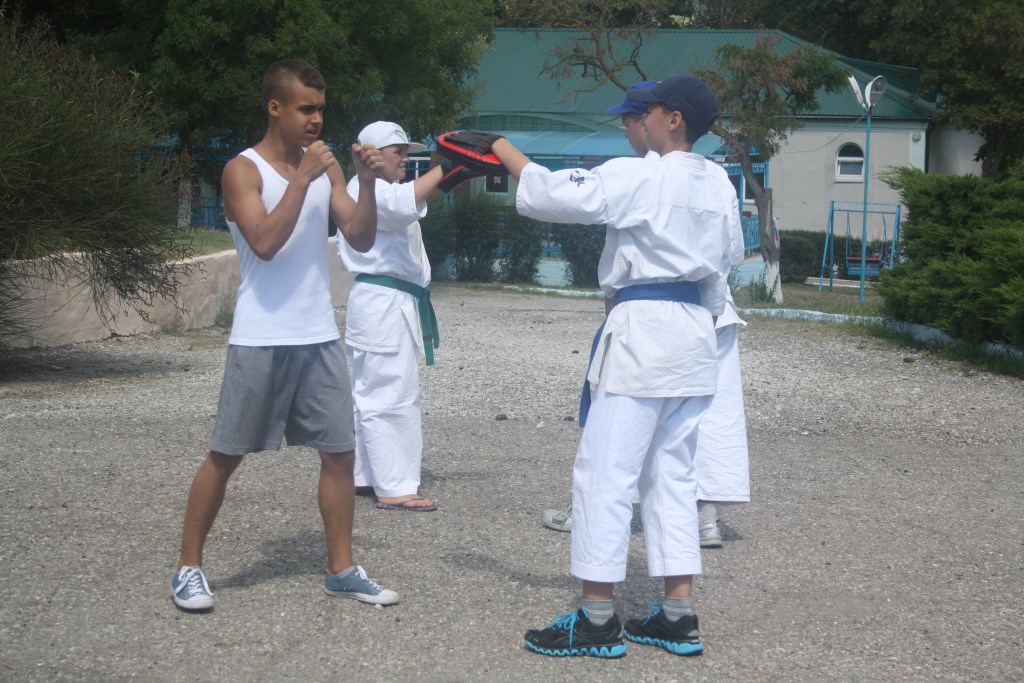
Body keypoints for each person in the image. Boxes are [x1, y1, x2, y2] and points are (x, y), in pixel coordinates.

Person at [485, 75, 737, 658]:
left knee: (606, 471)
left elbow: (553, 194)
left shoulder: (642, 174)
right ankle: (677, 614)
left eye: (648, 112)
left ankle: (597, 617)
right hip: (695, 329)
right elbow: (726, 263)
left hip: (645, 327)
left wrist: (498, 147)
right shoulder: (719, 182)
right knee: (673, 476)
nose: (639, 121)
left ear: (673, 119)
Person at [169, 59, 399, 612]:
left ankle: (341, 569)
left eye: (321, 109)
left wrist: (366, 182)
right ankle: (187, 568)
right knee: (226, 454)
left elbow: (361, 238)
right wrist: (302, 179)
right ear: (275, 108)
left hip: (318, 336)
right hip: (260, 337)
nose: (316, 119)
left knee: (340, 454)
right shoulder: (242, 170)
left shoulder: (325, 167)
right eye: (305, 108)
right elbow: (265, 243)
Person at [541, 84, 751, 547]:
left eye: (631, 122)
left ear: (654, 121)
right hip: (707, 309)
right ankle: (703, 519)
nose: (628, 132)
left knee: (622, 426)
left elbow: (562, 202)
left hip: (659, 312)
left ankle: (597, 524)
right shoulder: (715, 176)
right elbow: (733, 250)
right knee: (694, 424)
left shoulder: (639, 176)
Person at [337, 121, 448, 511]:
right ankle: (395, 486)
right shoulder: (367, 190)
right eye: (398, 151)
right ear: (372, 153)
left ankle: (366, 475)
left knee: (370, 393)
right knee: (392, 393)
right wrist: (447, 168)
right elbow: (402, 206)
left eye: (406, 152)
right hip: (384, 303)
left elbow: (409, 199)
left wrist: (450, 174)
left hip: (384, 302)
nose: (405, 158)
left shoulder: (376, 189)